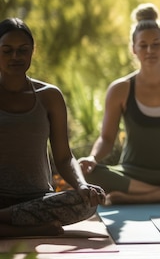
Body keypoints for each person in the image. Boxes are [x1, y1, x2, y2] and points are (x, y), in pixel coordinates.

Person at [78, 3, 160, 205]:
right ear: (134, 49)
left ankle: (141, 197)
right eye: (143, 45)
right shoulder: (120, 89)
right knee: (87, 173)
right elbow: (106, 139)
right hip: (134, 175)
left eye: (156, 44)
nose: (150, 50)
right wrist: (93, 158)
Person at [0, 18, 105, 237]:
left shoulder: (49, 96)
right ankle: (27, 230)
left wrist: (82, 185)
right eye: (7, 51)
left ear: (32, 52)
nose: (15, 57)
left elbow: (64, 158)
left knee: (86, 202)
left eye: (22, 50)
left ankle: (6, 223)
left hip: (37, 199)